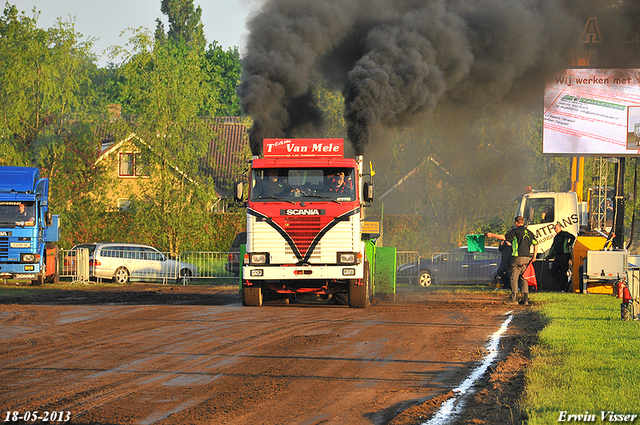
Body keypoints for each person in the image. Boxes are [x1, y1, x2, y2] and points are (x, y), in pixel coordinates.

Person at [487, 216, 538, 305]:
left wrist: (492, 235)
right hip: (527, 258)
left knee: (513, 278)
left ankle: (514, 299)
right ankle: (525, 299)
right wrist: (534, 256)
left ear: (517, 223)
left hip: (517, 257)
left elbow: (504, 237)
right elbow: (536, 244)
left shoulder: (516, 231)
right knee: (523, 278)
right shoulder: (529, 233)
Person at [547, 223, 576, 292]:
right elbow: (553, 246)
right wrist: (549, 255)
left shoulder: (564, 234)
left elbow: (573, 237)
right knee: (554, 270)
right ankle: (560, 285)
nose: (556, 230)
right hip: (558, 255)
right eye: (555, 229)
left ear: (560, 228)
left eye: (557, 228)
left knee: (563, 271)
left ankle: (564, 287)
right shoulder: (556, 237)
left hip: (564, 255)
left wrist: (569, 244)